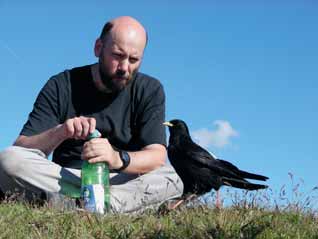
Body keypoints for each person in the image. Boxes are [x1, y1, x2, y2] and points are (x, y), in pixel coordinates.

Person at [0, 16, 183, 213]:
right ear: (98, 48)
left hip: (121, 181)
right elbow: (21, 147)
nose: (124, 68)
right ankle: (107, 207)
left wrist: (117, 158)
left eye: (133, 60)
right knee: (8, 160)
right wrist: (60, 132)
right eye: (117, 55)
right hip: (66, 180)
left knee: (182, 174)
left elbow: (157, 155)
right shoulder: (62, 85)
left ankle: (90, 205)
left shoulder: (149, 89)